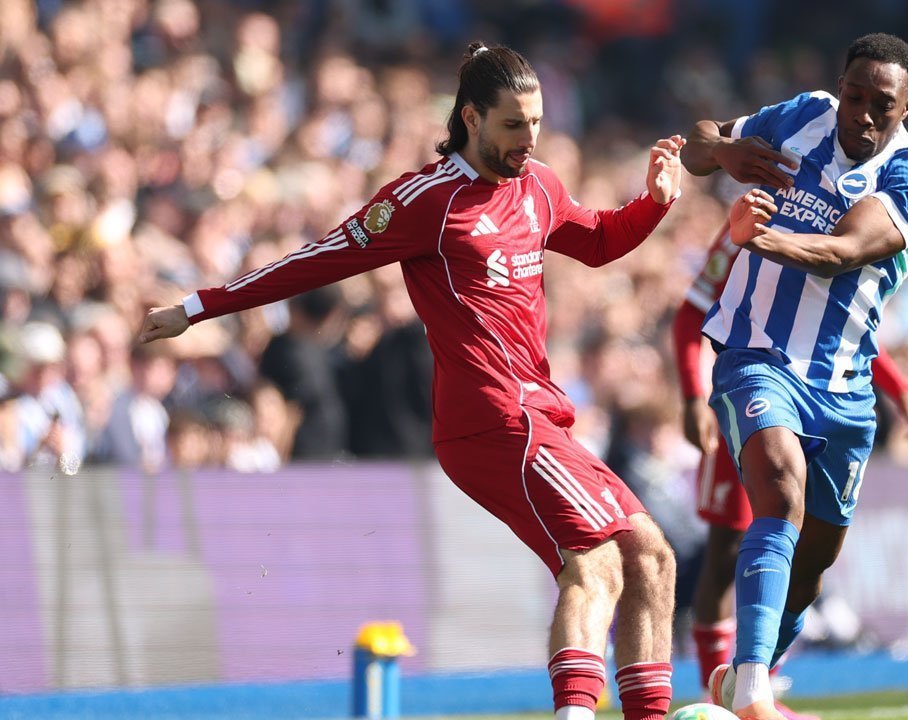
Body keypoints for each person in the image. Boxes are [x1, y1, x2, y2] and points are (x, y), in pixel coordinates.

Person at [140, 42, 684, 720]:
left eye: (537, 122)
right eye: (514, 124)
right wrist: (197, 307)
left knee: (652, 558)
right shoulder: (424, 200)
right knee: (595, 562)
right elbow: (318, 260)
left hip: (544, 416)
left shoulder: (537, 185)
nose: (529, 138)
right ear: (471, 117)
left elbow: (598, 240)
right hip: (492, 419)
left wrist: (653, 204)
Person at [681, 33, 908, 718]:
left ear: (906, 106)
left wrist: (756, 237)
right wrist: (720, 151)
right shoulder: (805, 113)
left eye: (879, 105)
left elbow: (843, 251)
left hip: (844, 385)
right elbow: (698, 143)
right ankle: (752, 692)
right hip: (755, 354)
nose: (859, 114)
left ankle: (748, 676)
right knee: (778, 495)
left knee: (811, 567)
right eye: (853, 95)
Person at [673, 223, 908, 719]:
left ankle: (750, 685)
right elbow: (690, 315)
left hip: (816, 396)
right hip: (749, 392)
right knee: (726, 551)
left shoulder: (830, 228)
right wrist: (690, 395)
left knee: (804, 553)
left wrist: (896, 386)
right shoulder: (745, 228)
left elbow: (843, 326)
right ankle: (728, 692)